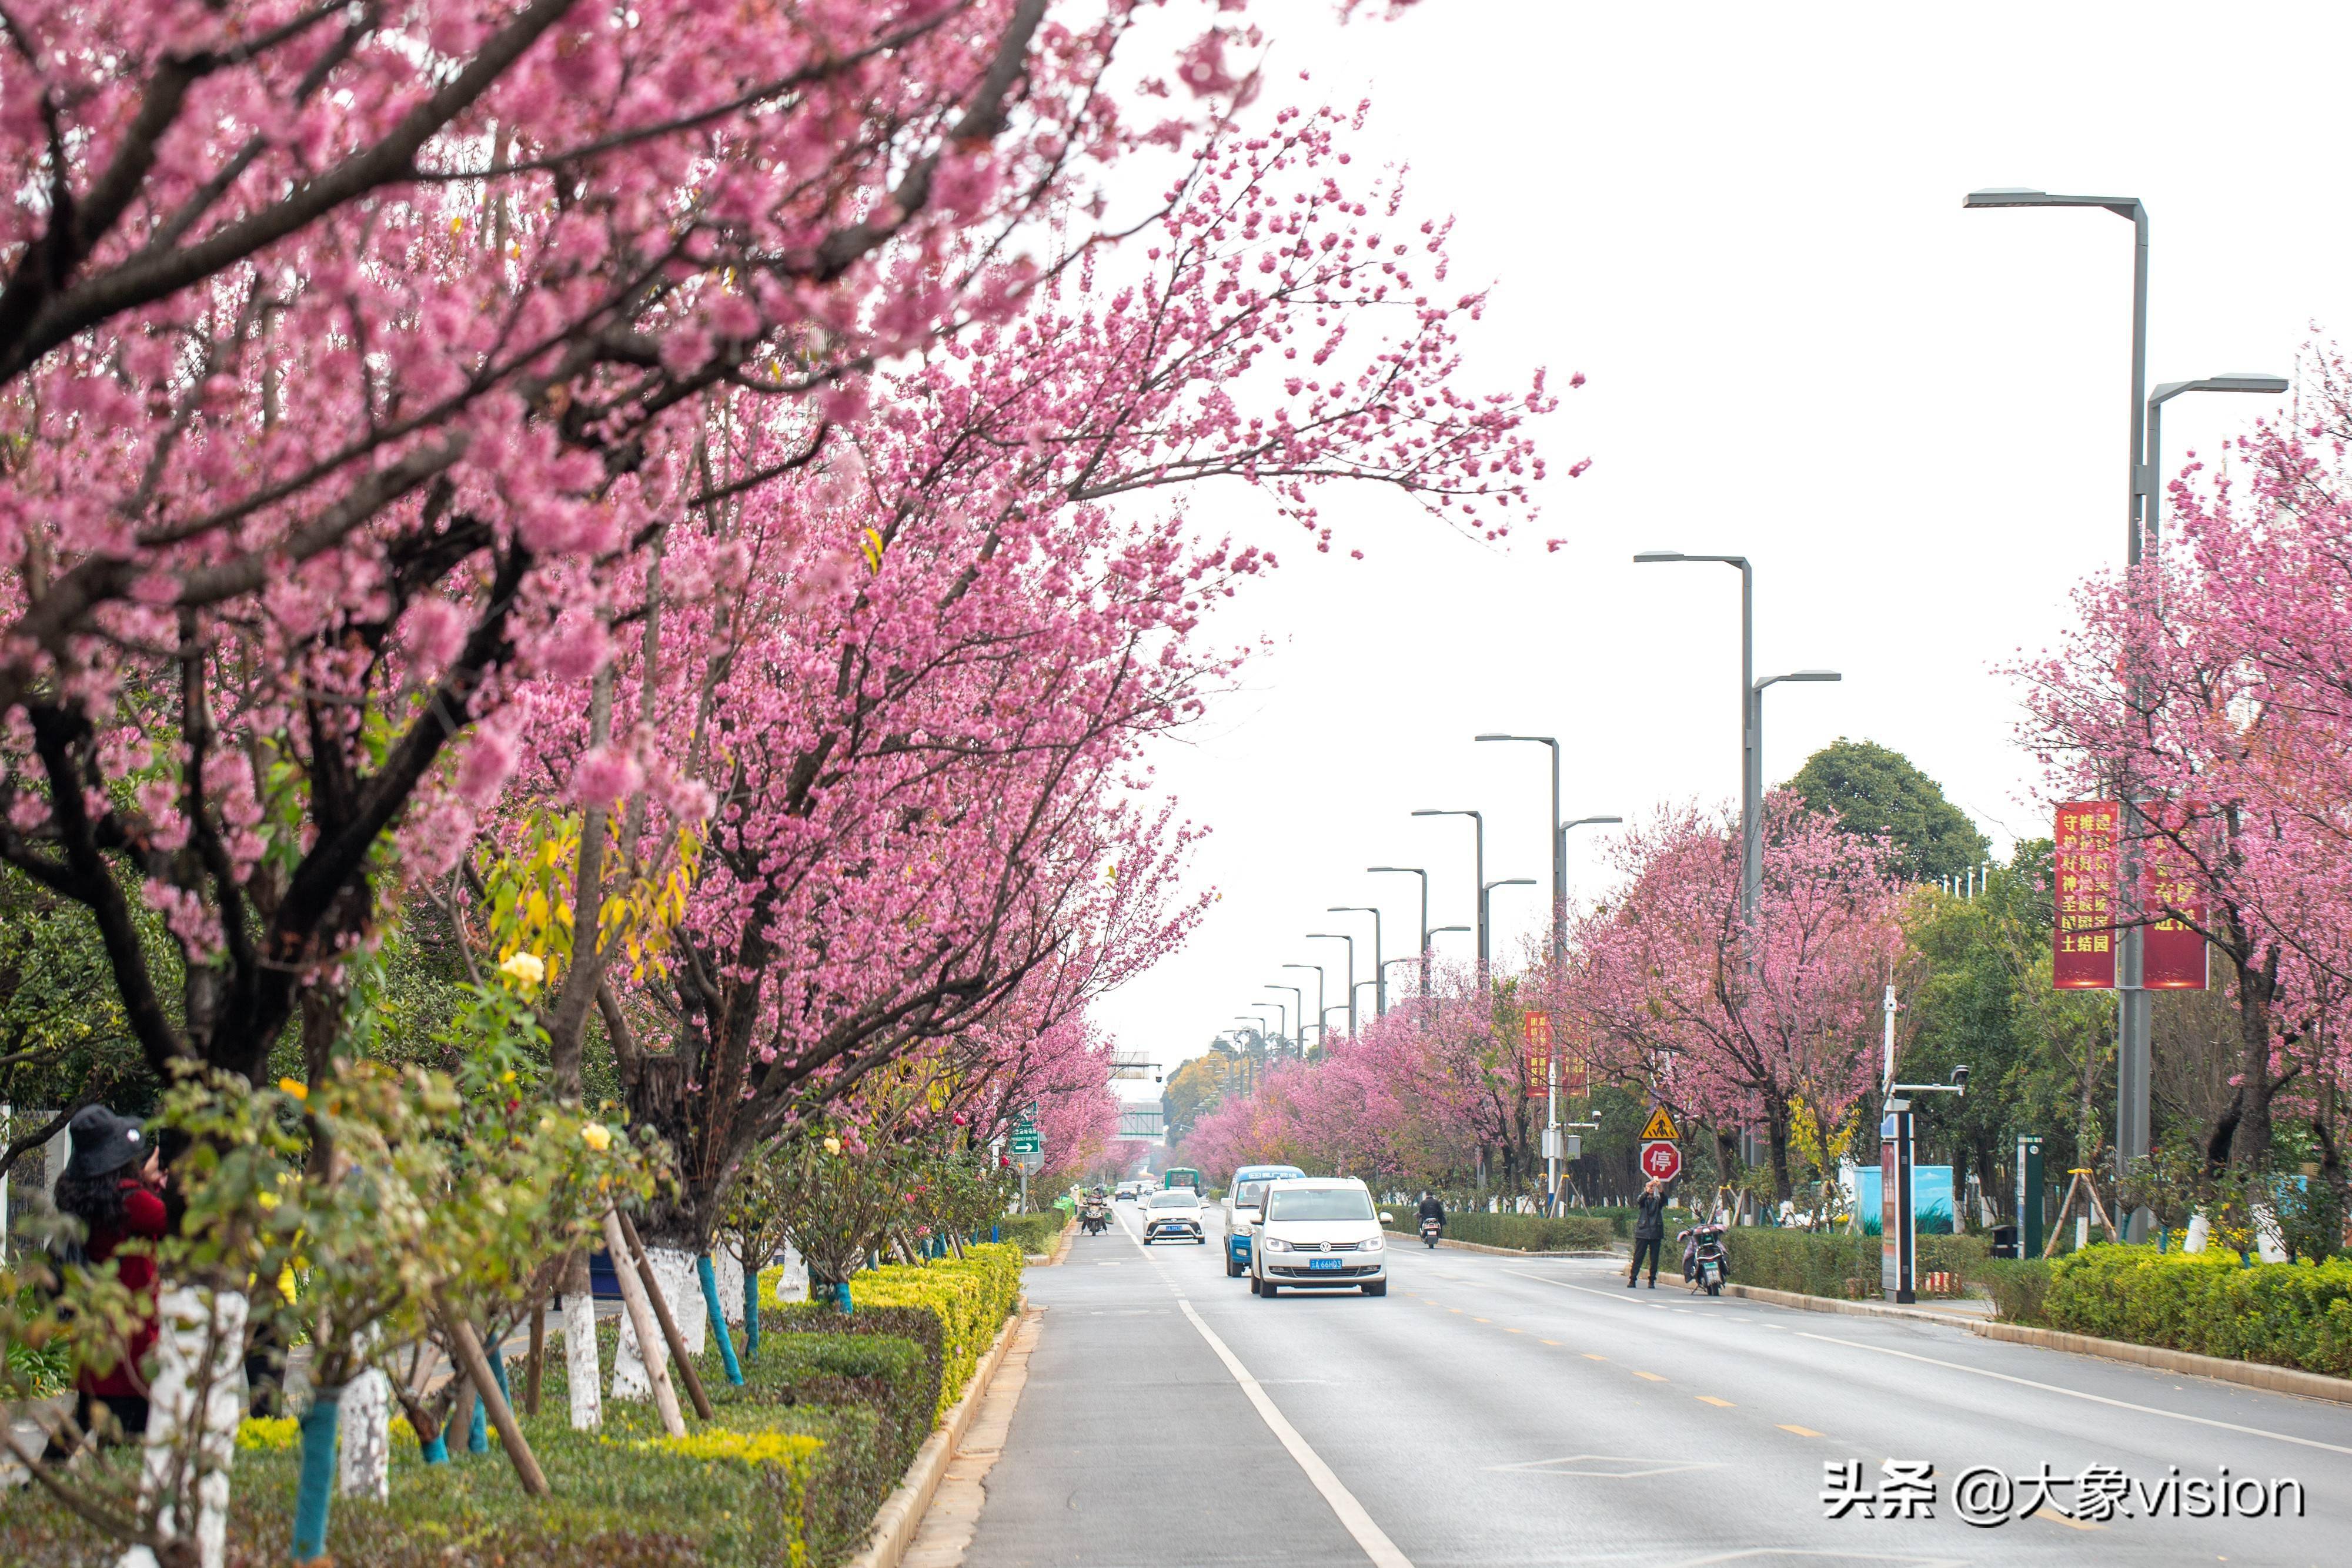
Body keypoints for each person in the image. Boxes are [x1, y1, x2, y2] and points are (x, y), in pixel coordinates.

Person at [48, 1106, 169, 1451]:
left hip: (93, 1338)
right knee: (123, 1442)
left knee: (84, 1417)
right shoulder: (132, 1200)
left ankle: (36, 1491)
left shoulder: (82, 1198)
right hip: (130, 1344)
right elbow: (173, 1218)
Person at [1626, 1176, 1669, 1289]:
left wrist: (1661, 1189)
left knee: (1654, 1259)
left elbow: (1665, 1201)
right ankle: (1633, 1279)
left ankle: (1652, 1281)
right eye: (1649, 1187)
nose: (1651, 1189)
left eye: (1652, 1188)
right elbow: (1639, 1200)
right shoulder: (1643, 1201)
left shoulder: (1658, 1201)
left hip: (1656, 1232)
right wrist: (1647, 1190)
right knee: (1638, 1257)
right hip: (1643, 1232)